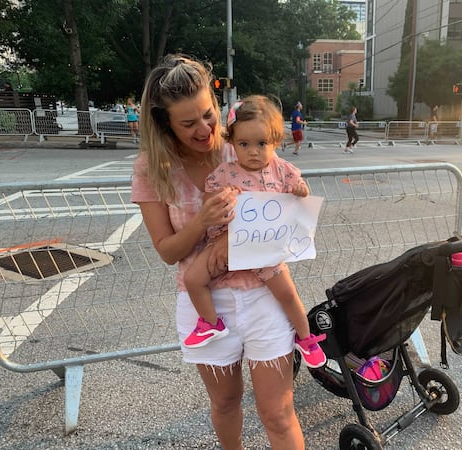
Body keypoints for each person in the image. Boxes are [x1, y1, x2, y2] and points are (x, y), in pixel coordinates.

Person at [131, 54, 305, 449]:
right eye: (188, 123)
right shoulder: (151, 169)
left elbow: (285, 191)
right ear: (165, 124)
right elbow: (167, 251)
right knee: (225, 403)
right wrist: (200, 221)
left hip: (263, 294)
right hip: (205, 305)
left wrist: (296, 196)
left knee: (277, 411)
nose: (204, 129)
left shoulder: (240, 143)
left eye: (208, 115)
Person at [182, 95, 327, 369]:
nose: (253, 152)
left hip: (267, 251)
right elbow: (209, 203)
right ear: (232, 143)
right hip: (229, 246)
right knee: (193, 279)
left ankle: (306, 338)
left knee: (288, 294)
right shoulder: (224, 173)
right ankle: (211, 322)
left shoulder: (282, 169)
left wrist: (301, 190)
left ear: (275, 141)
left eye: (262, 144)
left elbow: (301, 191)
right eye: (243, 144)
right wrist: (223, 199)